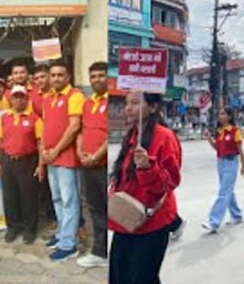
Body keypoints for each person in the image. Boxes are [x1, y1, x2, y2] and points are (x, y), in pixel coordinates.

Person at [108, 92, 181, 284]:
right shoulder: (132, 134)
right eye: (127, 103)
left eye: (135, 103)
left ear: (153, 107)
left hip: (151, 223)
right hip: (126, 219)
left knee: (142, 278)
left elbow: (170, 182)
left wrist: (148, 168)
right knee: (119, 276)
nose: (128, 108)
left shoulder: (165, 137)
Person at [40, 60, 83, 261]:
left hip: (67, 157)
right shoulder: (48, 98)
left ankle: (69, 244)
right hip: (51, 157)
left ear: (68, 77)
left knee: (69, 200)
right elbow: (46, 126)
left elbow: (74, 127)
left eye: (60, 75)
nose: (56, 78)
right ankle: (61, 235)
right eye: (53, 75)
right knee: (57, 199)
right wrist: (44, 151)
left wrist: (56, 150)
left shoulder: (75, 96)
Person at [0, 84, 43, 245]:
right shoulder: (4, 118)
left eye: (22, 97)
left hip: (27, 161)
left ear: (27, 99)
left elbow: (41, 143)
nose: (19, 100)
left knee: (28, 197)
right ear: (11, 100)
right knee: (9, 197)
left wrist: (41, 165)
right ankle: (13, 228)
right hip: (7, 161)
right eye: (16, 97)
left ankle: (29, 230)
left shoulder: (35, 119)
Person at [77, 61, 109, 270]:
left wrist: (96, 156)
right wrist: (80, 152)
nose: (97, 80)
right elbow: (82, 130)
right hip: (87, 166)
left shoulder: (110, 102)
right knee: (95, 210)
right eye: (93, 76)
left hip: (103, 166)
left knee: (108, 209)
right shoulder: (88, 103)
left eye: (100, 75)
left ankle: (105, 250)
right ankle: (99, 252)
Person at [202, 106, 244, 233]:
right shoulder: (219, 131)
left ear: (229, 116)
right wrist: (209, 138)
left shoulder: (235, 131)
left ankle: (213, 221)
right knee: (228, 190)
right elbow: (217, 148)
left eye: (223, 114)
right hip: (220, 162)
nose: (220, 116)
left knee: (223, 192)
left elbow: (240, 150)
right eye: (219, 114)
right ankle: (237, 215)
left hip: (231, 162)